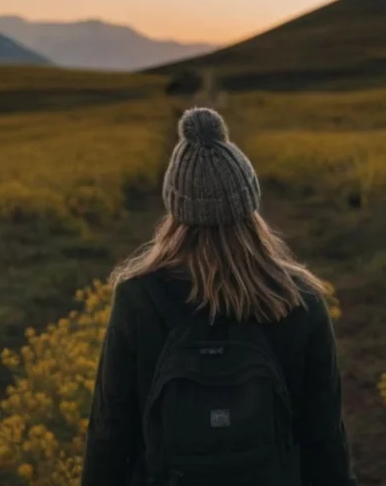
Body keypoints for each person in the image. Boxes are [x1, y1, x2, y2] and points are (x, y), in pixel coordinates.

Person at [81, 107, 358, 486]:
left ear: (175, 210)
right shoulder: (300, 300)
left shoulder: (138, 297)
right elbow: (325, 440)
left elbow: (109, 435)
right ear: (250, 204)